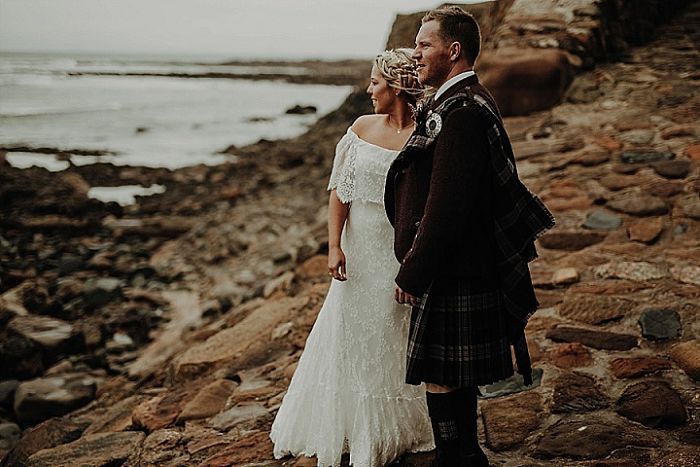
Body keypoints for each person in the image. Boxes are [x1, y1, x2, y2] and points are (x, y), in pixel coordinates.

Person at [384, 7, 555, 467]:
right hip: (460, 263)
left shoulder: (461, 110)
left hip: (455, 266)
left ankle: (457, 458)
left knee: (442, 375)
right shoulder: (462, 100)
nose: (415, 53)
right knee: (452, 375)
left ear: (453, 51)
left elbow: (448, 205)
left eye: (424, 45)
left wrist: (415, 270)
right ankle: (462, 456)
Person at [270, 49, 434, 467]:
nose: (368, 90)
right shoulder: (360, 128)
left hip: (396, 253)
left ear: (395, 88)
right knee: (349, 333)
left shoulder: (427, 135)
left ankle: (391, 427)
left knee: (389, 334)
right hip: (357, 252)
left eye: (374, 82)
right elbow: (339, 192)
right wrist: (334, 245)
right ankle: (345, 425)